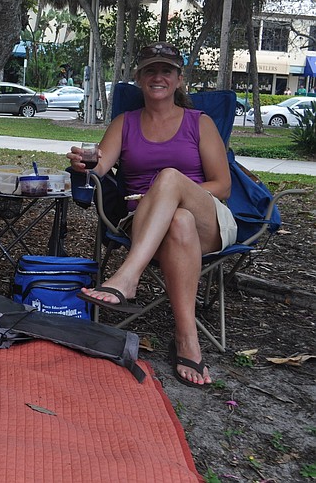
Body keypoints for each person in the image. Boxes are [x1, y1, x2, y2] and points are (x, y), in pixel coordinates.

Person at [67, 42, 237, 388]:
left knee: (170, 179)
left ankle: (128, 276)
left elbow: (223, 186)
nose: (158, 77)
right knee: (178, 220)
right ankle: (187, 340)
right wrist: (84, 166)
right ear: (139, 78)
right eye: (150, 70)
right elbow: (99, 168)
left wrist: (169, 192)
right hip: (146, 223)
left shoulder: (199, 123)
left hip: (208, 221)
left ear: (179, 79)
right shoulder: (125, 123)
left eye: (166, 71)